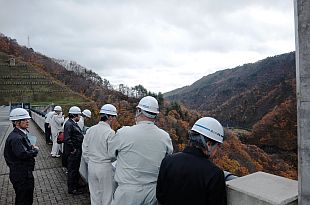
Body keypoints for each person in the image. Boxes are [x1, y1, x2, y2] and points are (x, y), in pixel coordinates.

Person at [108, 96, 173, 205]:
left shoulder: (124, 133)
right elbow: (167, 160)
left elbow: (111, 154)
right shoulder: (164, 137)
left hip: (128, 192)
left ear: (138, 111)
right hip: (153, 192)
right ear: (155, 115)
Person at [156, 117, 227, 205]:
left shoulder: (168, 161)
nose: (217, 150)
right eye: (218, 146)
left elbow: (159, 195)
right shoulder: (214, 174)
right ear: (208, 144)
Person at [82, 104, 117, 205]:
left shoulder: (91, 130)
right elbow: (112, 154)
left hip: (92, 166)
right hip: (105, 167)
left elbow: (85, 149)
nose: (114, 119)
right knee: (107, 197)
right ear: (110, 117)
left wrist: (91, 161)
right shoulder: (110, 132)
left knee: (94, 196)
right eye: (114, 117)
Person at [4, 108, 39, 205]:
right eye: (24, 120)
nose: (27, 121)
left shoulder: (19, 134)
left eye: (27, 119)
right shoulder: (16, 138)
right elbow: (22, 154)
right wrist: (34, 151)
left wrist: (29, 147)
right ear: (16, 122)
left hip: (22, 173)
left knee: (25, 198)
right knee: (23, 200)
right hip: (21, 175)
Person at [64, 106, 84, 195]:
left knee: (75, 169)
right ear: (74, 115)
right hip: (73, 152)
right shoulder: (69, 124)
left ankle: (75, 185)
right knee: (72, 170)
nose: (79, 117)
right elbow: (67, 139)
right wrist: (73, 149)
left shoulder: (71, 123)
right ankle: (72, 189)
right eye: (78, 115)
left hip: (76, 150)